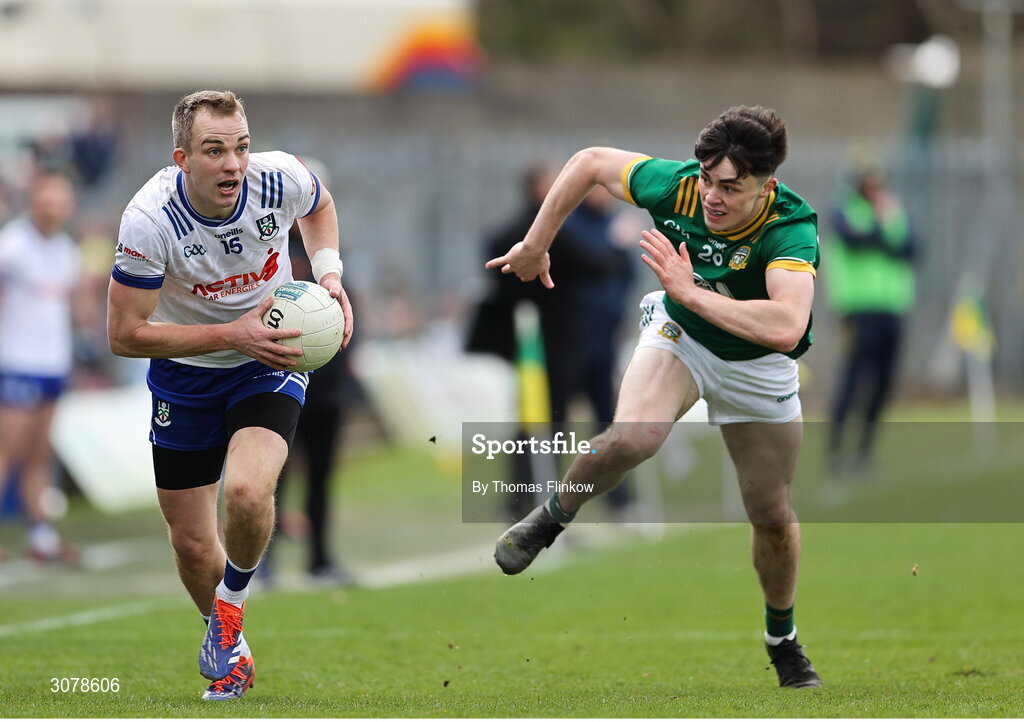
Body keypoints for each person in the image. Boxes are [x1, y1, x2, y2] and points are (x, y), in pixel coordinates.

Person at [487, 106, 822, 689]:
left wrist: (692, 293)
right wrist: (537, 244)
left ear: (766, 185)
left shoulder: (790, 225)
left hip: (758, 363)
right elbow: (589, 162)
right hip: (681, 337)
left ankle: (783, 638)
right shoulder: (678, 186)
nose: (711, 197)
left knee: (770, 514)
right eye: (706, 179)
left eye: (731, 187)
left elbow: (787, 325)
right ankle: (551, 517)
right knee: (635, 436)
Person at [106, 90, 353, 701]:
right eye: (214, 151)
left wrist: (328, 275)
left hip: (269, 356)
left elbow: (319, 205)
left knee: (247, 490)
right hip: (185, 373)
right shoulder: (148, 221)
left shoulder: (279, 178)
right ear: (183, 157)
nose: (233, 164)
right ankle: (233, 648)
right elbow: (123, 334)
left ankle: (232, 608)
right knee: (191, 544)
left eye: (240, 147)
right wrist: (226, 332)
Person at [0, 172, 83, 566]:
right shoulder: (12, 245)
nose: (54, 207)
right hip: (17, 363)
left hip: (53, 364)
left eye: (60, 200)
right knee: (6, 451)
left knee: (39, 453)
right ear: (34, 201)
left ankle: (41, 534)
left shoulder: (67, 250)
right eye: (47, 199)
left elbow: (75, 310)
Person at [825, 166, 916, 474]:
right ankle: (835, 451)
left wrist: (885, 230)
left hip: (892, 307)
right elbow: (857, 241)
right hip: (857, 309)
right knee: (852, 378)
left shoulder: (894, 209)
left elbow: (912, 248)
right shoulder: (845, 209)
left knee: (883, 382)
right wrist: (883, 225)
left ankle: (863, 452)